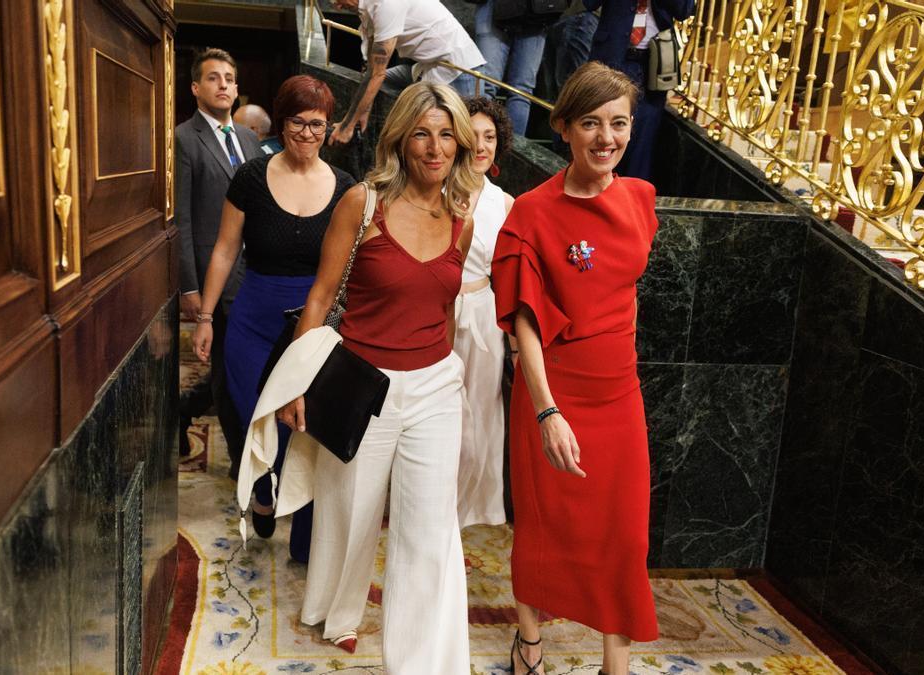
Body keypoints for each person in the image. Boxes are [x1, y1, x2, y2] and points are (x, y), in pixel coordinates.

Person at [277, 82, 481, 669]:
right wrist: (297, 384)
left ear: (461, 146)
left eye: (447, 135)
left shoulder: (462, 220)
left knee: (427, 532)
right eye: (422, 132)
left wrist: (446, 373)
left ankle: (417, 662)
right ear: (400, 138)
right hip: (364, 383)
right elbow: (319, 297)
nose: (435, 147)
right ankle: (335, 610)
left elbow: (442, 307)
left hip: (436, 387)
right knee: (351, 510)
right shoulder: (362, 203)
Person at [490, 61, 658, 675]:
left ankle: (615, 657)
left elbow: (624, 293)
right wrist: (546, 410)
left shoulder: (642, 200)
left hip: (620, 391)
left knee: (624, 533)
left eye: (618, 124)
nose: (606, 138)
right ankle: (530, 638)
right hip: (553, 392)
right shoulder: (532, 212)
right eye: (591, 123)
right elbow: (524, 324)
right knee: (545, 524)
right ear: (563, 127)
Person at [192, 75, 353, 562]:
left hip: (313, 324)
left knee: (304, 429)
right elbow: (224, 250)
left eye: (318, 125)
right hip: (253, 320)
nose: (307, 134)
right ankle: (263, 488)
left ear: (329, 129)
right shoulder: (250, 178)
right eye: (298, 123)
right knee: (253, 413)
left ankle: (305, 537)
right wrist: (205, 316)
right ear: (281, 125)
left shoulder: (345, 188)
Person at [176, 48, 261, 476]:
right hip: (216, 278)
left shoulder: (248, 138)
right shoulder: (184, 139)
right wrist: (189, 287)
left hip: (258, 275)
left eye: (229, 77)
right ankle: (240, 462)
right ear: (196, 88)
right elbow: (183, 219)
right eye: (213, 78)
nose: (224, 84)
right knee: (227, 375)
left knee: (250, 369)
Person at [455, 96, 515, 529]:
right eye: (473, 135)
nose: (481, 145)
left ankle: (467, 509)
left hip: (484, 317)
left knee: (481, 416)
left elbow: (511, 276)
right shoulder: (435, 191)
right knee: (441, 417)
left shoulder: (506, 204)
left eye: (490, 137)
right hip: (434, 315)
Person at [327, 0, 485, 146]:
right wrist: (364, 111)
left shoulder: (385, 4)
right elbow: (371, 67)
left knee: (465, 141)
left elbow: (376, 73)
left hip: (458, 69)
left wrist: (347, 126)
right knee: (384, 82)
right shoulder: (367, 8)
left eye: (337, 0)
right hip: (427, 66)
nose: (337, 6)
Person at [584, 0, 694, 180]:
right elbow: (589, 4)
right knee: (605, 129)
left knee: (643, 140)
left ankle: (632, 196)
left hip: (652, 63)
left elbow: (685, 10)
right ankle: (597, 187)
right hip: (612, 56)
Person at [474, 2, 547, 136]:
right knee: (517, 91)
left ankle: (511, 152)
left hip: (534, 14)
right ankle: (480, 144)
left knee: (494, 87)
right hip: (530, 12)